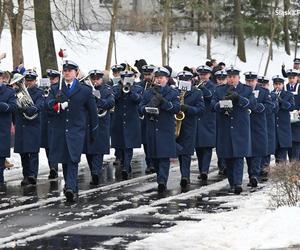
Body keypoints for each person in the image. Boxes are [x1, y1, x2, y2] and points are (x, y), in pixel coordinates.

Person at [47, 60, 98, 202]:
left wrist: (94, 131)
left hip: (77, 131)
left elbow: (93, 113)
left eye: (70, 70)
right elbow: (47, 106)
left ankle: (69, 186)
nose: (67, 73)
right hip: (60, 130)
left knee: (73, 159)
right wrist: (55, 103)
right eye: (65, 71)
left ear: (76, 72)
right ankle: (72, 186)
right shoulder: (55, 89)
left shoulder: (85, 90)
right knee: (65, 159)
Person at [211, 66, 256, 194]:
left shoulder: (246, 89)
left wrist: (238, 98)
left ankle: (237, 183)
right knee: (228, 157)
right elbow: (212, 106)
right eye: (229, 77)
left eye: (233, 77)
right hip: (225, 128)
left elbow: (252, 104)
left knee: (238, 157)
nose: (231, 79)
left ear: (238, 77)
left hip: (240, 128)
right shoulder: (219, 90)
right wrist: (221, 103)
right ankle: (232, 183)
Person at [139, 66, 180, 192]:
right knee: (154, 157)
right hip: (152, 128)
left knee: (163, 157)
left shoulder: (172, 93)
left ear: (167, 79)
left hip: (165, 128)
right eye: (156, 77)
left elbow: (176, 108)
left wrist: (164, 102)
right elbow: (140, 108)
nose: (158, 80)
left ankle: (162, 180)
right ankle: (159, 176)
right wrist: (147, 107)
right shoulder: (148, 92)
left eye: (161, 78)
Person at [13, 70, 44, 186]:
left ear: (35, 81)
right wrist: (19, 107)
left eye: (31, 80)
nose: (29, 82)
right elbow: (15, 105)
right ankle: (26, 175)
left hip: (33, 125)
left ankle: (33, 175)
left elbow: (41, 104)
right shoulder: (19, 92)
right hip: (22, 125)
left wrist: (34, 108)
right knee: (23, 153)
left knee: (33, 153)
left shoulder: (39, 92)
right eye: (27, 80)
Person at [84, 69, 115, 185]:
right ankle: (93, 171)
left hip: (101, 122)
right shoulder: (86, 90)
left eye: (97, 79)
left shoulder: (107, 89)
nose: (95, 81)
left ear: (101, 79)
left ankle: (96, 172)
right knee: (88, 150)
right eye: (93, 79)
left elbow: (111, 102)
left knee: (98, 149)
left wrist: (98, 100)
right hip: (88, 122)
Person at [175, 71, 205, 188]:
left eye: (186, 80)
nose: (184, 83)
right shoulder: (174, 92)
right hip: (176, 124)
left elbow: (201, 110)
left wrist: (187, 108)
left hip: (189, 125)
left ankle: (185, 176)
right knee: (179, 151)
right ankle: (184, 174)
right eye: (181, 81)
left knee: (186, 152)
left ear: (191, 81)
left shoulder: (197, 93)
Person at [111, 70, 143, 180]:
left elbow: (138, 99)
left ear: (133, 78)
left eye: (129, 77)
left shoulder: (138, 88)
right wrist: (121, 90)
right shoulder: (115, 88)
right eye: (124, 78)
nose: (126, 80)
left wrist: (130, 91)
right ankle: (124, 163)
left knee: (129, 145)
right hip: (119, 120)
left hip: (131, 120)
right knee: (120, 145)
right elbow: (113, 99)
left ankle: (126, 166)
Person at [244, 72, 270, 187]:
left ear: (256, 81)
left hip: (258, 125)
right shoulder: (243, 90)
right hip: (245, 125)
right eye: (248, 81)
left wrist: (257, 106)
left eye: (252, 81)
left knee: (257, 150)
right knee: (248, 152)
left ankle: (254, 175)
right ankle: (252, 174)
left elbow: (269, 107)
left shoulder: (264, 92)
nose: (250, 83)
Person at [194, 65, 216, 183]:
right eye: (201, 74)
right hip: (198, 119)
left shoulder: (213, 86)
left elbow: (211, 96)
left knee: (207, 146)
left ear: (209, 75)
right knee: (198, 147)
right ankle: (201, 169)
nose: (202, 76)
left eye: (205, 74)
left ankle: (205, 171)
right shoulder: (195, 86)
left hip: (208, 119)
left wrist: (202, 88)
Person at [41, 69, 60, 179]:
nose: (51, 80)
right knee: (48, 146)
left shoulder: (59, 89)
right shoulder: (43, 89)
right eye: (50, 78)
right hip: (45, 121)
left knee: (53, 145)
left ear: (57, 78)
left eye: (53, 78)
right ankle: (52, 167)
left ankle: (54, 167)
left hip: (54, 121)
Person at [272, 75, 295, 163]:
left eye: (280, 84)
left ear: (283, 84)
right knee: (276, 155)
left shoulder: (288, 94)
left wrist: (282, 101)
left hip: (284, 129)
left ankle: (282, 174)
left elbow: (291, 107)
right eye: (276, 84)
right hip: (274, 129)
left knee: (282, 156)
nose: (278, 86)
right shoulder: (270, 94)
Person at [258, 76, 278, 180]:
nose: (263, 87)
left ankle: (265, 167)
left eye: (264, 85)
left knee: (267, 146)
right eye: (261, 85)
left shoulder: (272, 95)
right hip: (258, 124)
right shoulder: (255, 94)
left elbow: (274, 108)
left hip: (268, 124)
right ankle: (259, 168)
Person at [0, 70, 17, 186]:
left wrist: (3, 106)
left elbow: (14, 106)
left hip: (2, 130)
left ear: (1, 79)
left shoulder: (9, 92)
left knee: (0, 158)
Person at [139, 65, 156, 174]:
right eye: (145, 75)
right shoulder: (140, 85)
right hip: (145, 117)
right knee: (146, 141)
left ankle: (155, 162)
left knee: (155, 141)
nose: (147, 77)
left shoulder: (160, 84)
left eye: (149, 74)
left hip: (157, 117)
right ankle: (149, 163)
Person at [214, 70, 228, 175]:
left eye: (223, 79)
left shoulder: (228, 89)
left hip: (226, 120)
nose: (221, 81)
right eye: (219, 79)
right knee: (220, 144)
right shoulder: (217, 90)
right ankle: (222, 165)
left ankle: (226, 164)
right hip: (216, 120)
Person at [285, 69, 300, 161]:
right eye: (290, 78)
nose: (291, 80)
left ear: (297, 78)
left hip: (298, 118)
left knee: (297, 141)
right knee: (289, 141)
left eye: (293, 78)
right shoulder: (284, 87)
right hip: (287, 118)